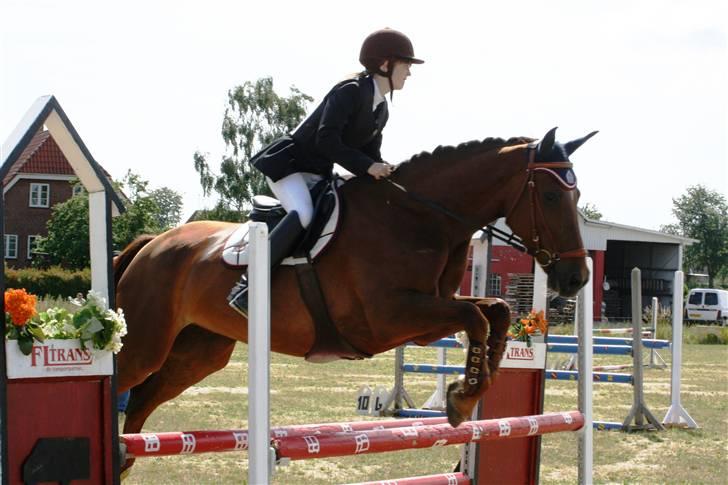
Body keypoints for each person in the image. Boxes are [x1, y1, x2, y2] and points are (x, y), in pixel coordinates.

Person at [227, 28, 424, 317]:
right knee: (304, 214)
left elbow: (370, 156)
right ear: (385, 64)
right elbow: (326, 140)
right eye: (406, 65)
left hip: (319, 173)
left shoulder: (380, 109)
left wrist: (389, 175)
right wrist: (369, 167)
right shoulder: (350, 90)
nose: (409, 73)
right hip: (290, 167)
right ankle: (247, 287)